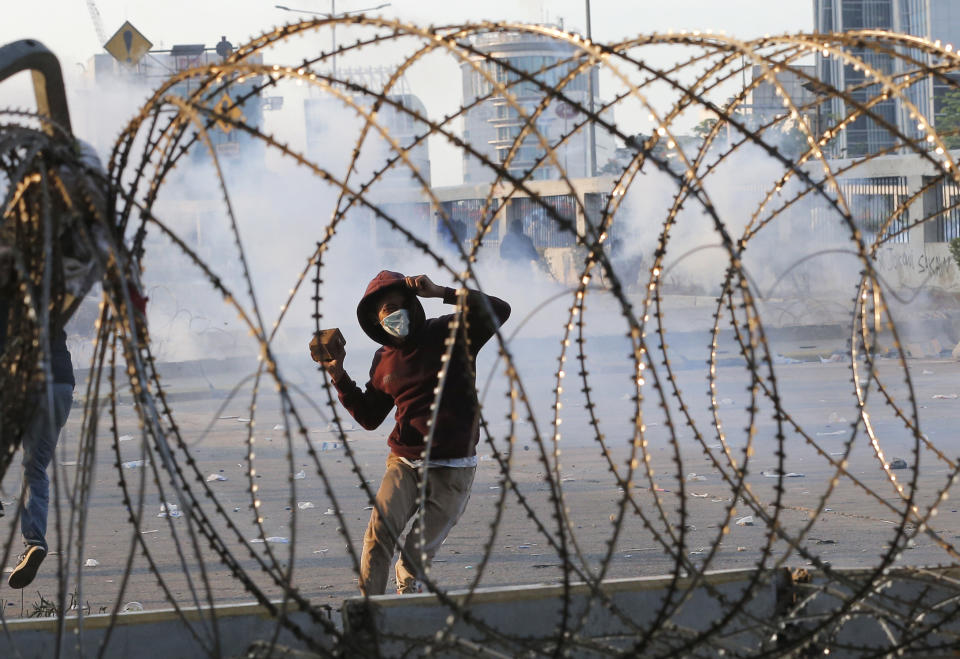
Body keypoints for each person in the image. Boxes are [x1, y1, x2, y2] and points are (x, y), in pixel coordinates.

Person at [310, 271, 510, 595]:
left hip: (454, 466)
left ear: (412, 304)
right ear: (377, 322)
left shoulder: (452, 332)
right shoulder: (384, 361)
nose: (392, 315)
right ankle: (369, 614)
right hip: (406, 461)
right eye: (384, 312)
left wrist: (443, 292)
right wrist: (339, 376)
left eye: (396, 305)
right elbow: (370, 416)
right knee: (378, 534)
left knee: (414, 557)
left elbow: (499, 310)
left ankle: (406, 587)